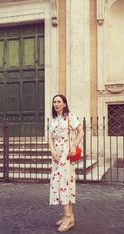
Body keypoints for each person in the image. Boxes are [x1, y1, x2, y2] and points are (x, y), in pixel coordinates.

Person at [49, 94, 84, 232]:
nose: (56, 104)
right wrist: (52, 151)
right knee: (59, 182)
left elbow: (81, 131)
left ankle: (68, 216)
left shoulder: (70, 116)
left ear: (64, 104)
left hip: (66, 153)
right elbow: (50, 138)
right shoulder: (53, 120)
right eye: (54, 102)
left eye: (59, 102)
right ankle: (68, 216)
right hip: (57, 155)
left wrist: (74, 145)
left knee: (64, 182)